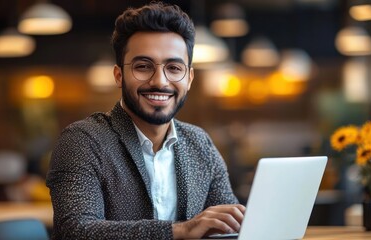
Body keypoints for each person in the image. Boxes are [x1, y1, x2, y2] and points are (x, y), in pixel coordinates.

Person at [46, 2, 245, 239]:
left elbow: (229, 224)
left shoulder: (199, 144)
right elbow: (77, 231)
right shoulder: (83, 141)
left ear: (189, 78)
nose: (160, 81)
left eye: (173, 68)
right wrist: (182, 230)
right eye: (143, 66)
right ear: (119, 76)